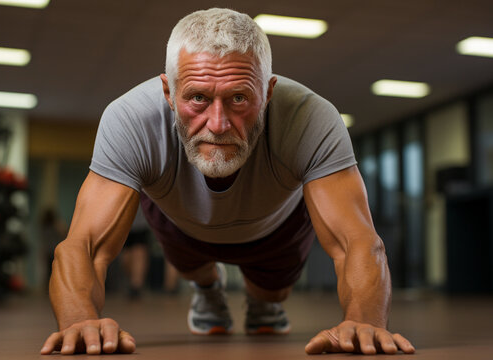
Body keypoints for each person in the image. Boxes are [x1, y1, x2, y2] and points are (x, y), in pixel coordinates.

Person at [40, 8, 415, 356]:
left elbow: (358, 243)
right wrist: (79, 319)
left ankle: (263, 300)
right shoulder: (130, 120)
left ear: (267, 93)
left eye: (239, 98)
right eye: (198, 98)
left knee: (272, 292)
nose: (217, 124)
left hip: (275, 226)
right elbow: (84, 245)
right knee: (192, 266)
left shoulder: (310, 118)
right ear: (168, 93)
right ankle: (207, 289)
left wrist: (365, 321)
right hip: (182, 219)